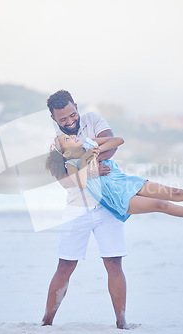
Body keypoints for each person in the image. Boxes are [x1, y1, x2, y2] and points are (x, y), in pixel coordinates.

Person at [41, 90, 130, 329]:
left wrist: (87, 164)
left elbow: (113, 145)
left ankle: (122, 323)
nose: (70, 122)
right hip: (76, 206)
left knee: (113, 263)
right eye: (63, 120)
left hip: (106, 203)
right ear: (54, 119)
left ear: (76, 107)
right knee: (65, 266)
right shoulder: (55, 143)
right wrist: (91, 171)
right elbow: (65, 182)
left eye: (72, 115)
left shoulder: (93, 120)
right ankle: (46, 322)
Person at [47, 134, 183, 222]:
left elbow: (118, 140)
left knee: (176, 192)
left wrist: (100, 148)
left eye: (69, 135)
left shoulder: (89, 142)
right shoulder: (71, 165)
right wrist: (86, 159)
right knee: (162, 205)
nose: (72, 136)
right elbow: (81, 183)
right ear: (64, 153)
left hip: (124, 181)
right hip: (114, 196)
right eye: (67, 139)